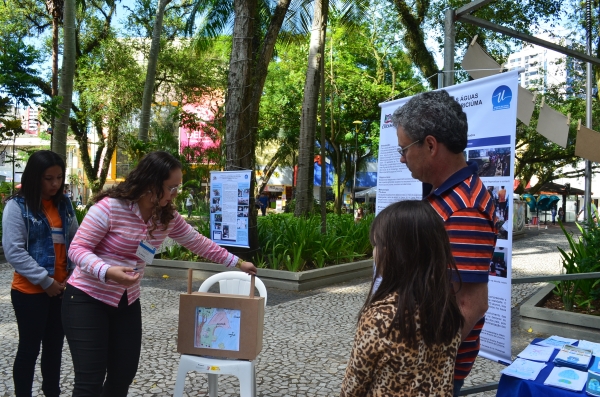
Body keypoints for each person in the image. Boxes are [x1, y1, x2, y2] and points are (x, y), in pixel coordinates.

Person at [62, 151, 257, 397]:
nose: (175, 193)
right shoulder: (110, 208)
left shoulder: (165, 217)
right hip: (86, 299)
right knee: (90, 380)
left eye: (177, 187)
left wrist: (237, 263)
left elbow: (197, 241)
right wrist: (107, 271)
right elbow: (77, 249)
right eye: (171, 187)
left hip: (127, 301)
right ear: (150, 183)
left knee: (122, 376)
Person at [391, 90, 496, 396]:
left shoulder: (464, 208)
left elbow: (470, 304)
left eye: (405, 148)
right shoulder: (447, 195)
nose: (401, 158)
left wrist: (420, 362)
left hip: (433, 370)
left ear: (431, 145)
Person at [340, 200, 463, 396]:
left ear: (394, 253)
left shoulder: (380, 317)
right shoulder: (447, 307)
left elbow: (354, 386)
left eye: (377, 244)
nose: (374, 251)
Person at [3, 150, 79, 397]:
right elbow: (14, 251)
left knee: (55, 348)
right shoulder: (17, 207)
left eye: (58, 177)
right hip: (30, 292)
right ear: (35, 177)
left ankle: (52, 393)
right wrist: (45, 281)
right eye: (48, 178)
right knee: (29, 348)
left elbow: (77, 242)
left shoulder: (65, 204)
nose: (55, 184)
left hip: (61, 289)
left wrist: (71, 276)